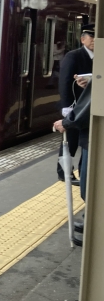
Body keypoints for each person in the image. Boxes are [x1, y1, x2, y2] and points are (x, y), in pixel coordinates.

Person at [54, 76, 92, 247]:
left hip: (94, 140)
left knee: (89, 188)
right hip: (90, 138)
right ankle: (90, 221)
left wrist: (67, 122)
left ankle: (94, 226)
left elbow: (94, 99)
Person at [56, 23, 95, 184]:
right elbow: (64, 82)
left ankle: (81, 171)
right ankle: (64, 173)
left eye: (96, 37)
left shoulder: (100, 57)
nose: (94, 41)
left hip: (87, 108)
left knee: (84, 142)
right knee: (70, 142)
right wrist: (66, 108)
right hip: (74, 107)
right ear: (82, 39)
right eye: (91, 37)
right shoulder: (74, 56)